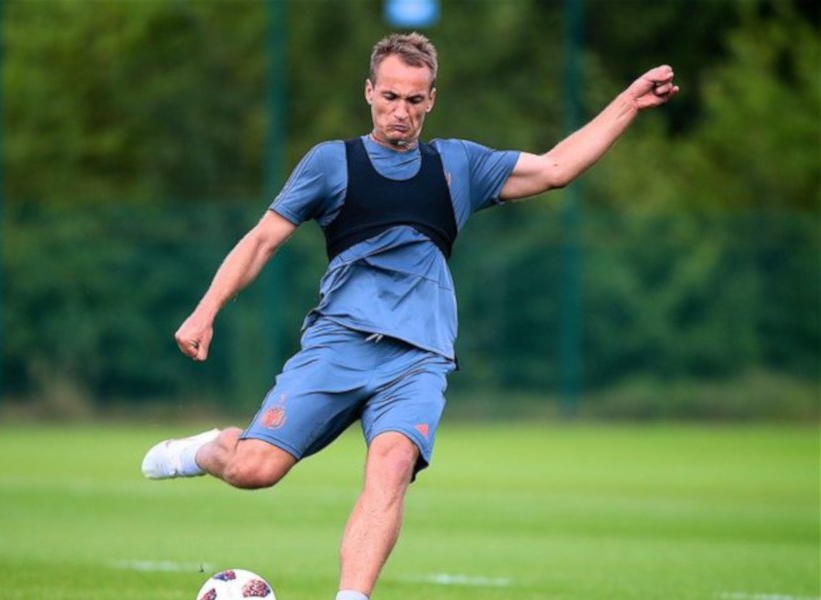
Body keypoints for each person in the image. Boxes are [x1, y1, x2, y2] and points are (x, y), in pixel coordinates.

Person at [142, 32, 678, 600]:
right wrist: (205, 311)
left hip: (418, 359)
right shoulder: (332, 163)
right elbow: (261, 241)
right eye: (391, 96)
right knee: (256, 469)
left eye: (415, 100)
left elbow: (555, 167)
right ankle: (199, 451)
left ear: (432, 100)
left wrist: (629, 102)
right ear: (369, 92)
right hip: (339, 344)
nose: (401, 111)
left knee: (393, 463)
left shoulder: (458, 165)